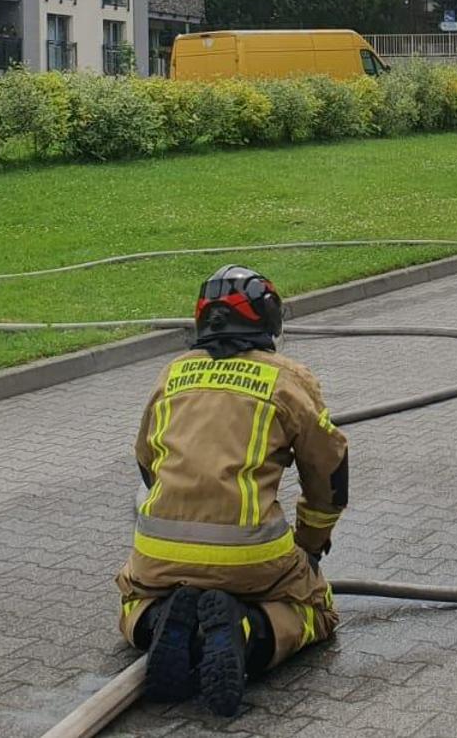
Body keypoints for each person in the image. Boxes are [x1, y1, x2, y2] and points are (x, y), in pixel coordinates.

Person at [115, 265, 350, 717]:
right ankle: (245, 630)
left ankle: (160, 619)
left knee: (132, 599)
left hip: (158, 554)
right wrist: (311, 546)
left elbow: (146, 459)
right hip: (251, 559)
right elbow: (329, 476)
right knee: (316, 610)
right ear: (268, 321)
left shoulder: (172, 375)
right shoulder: (287, 379)